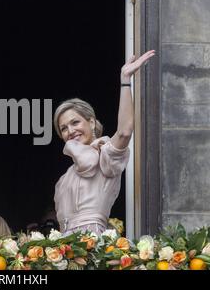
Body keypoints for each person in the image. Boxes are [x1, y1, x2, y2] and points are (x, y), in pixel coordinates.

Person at [53, 50, 155, 236]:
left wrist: (125, 80)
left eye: (75, 122)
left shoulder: (105, 154)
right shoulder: (63, 180)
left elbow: (124, 132)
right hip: (63, 250)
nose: (70, 130)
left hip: (94, 244)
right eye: (64, 128)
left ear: (91, 122)